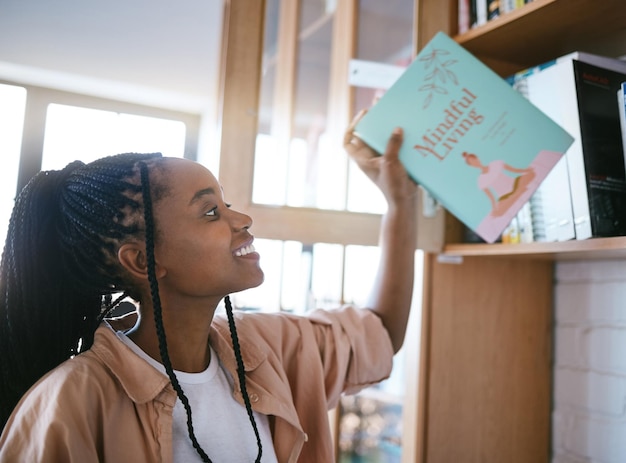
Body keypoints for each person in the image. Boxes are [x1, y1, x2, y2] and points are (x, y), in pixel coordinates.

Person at [0, 111, 418, 462]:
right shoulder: (70, 403)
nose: (243, 221)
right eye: (211, 211)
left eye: (227, 203)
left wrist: (399, 202)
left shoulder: (267, 350)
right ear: (144, 260)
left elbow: (380, 331)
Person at [462, 151, 536, 217]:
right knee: (498, 213)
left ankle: (516, 194)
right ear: (472, 166)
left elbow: (514, 170)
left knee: (531, 174)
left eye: (474, 160)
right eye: (472, 163)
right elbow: (491, 197)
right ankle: (517, 194)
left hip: (515, 184)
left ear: (477, 158)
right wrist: (494, 208)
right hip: (505, 196)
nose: (475, 163)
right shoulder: (481, 180)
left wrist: (526, 170)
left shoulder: (495, 164)